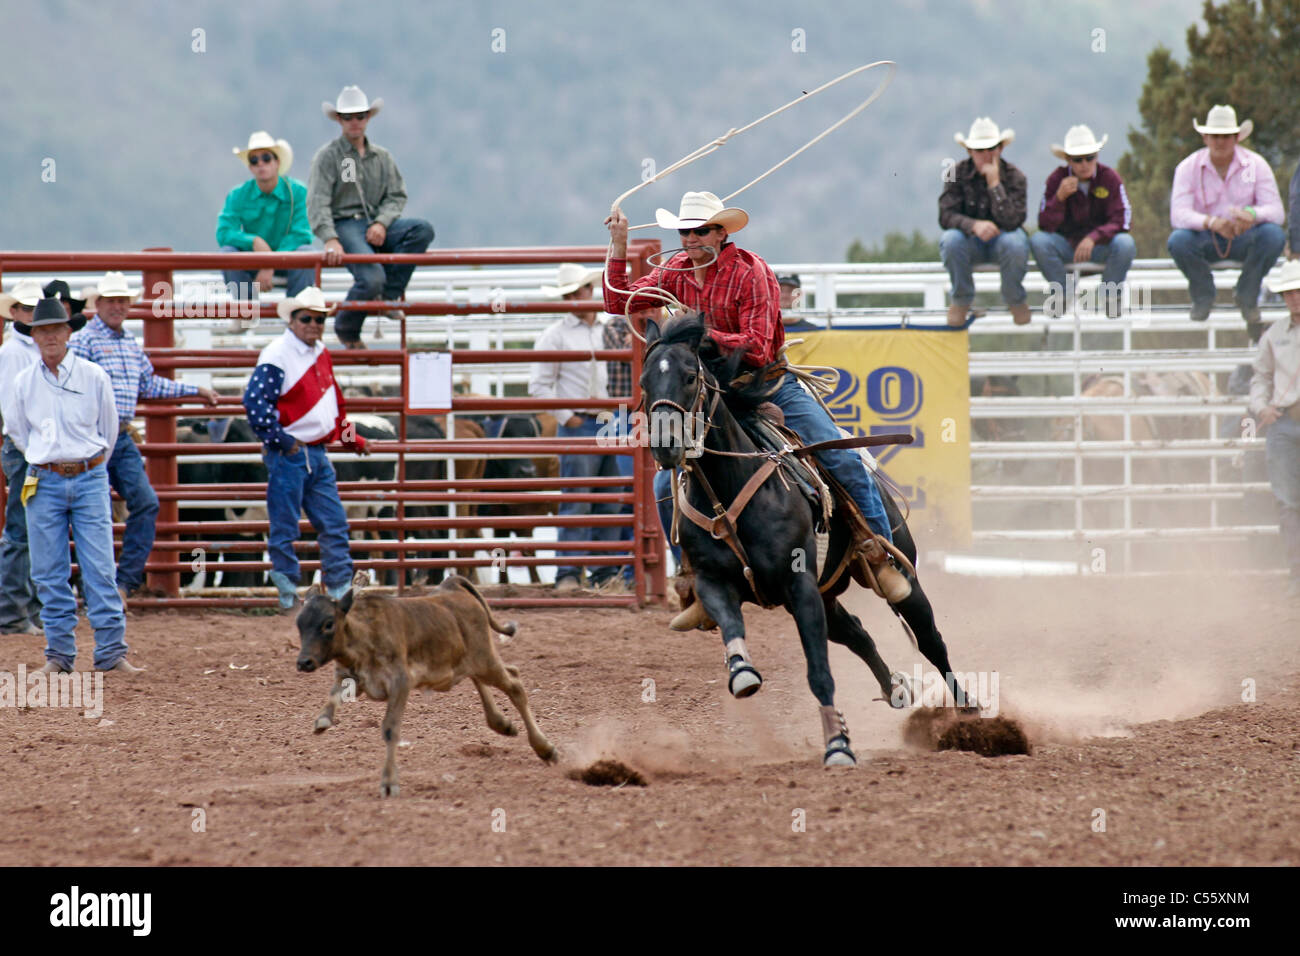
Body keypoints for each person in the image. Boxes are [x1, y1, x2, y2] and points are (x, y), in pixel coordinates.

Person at [604, 190, 911, 630]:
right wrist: (617, 248)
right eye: (684, 231)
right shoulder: (675, 271)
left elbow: (759, 344)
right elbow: (620, 302)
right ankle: (694, 580)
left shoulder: (753, 272)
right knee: (663, 484)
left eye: (700, 231)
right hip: (713, 395)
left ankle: (878, 553)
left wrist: (703, 335)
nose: (690, 239)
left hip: (769, 384)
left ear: (720, 233)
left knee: (840, 454)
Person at [8, 297, 141, 674]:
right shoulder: (25, 382)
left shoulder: (92, 376)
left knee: (98, 566)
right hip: (56, 474)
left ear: (68, 332)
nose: (49, 336)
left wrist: (77, 461)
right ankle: (64, 654)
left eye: (55, 329)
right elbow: (19, 430)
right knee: (50, 570)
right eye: (42, 330)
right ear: (33, 336)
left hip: (80, 474)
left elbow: (108, 429)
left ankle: (102, 652)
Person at [70, 272, 220, 599]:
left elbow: (150, 385)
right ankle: (103, 584)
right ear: (99, 304)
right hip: (90, 435)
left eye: (122, 301)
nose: (117, 307)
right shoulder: (84, 340)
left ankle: (120, 583)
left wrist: (194, 390)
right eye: (111, 301)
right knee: (94, 510)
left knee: (144, 504)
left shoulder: (128, 344)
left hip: (119, 435)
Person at [242, 287, 370, 610]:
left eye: (319, 319)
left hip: (308, 451)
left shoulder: (316, 352)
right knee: (294, 525)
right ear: (293, 319)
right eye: (307, 318)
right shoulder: (278, 354)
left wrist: (351, 438)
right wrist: (284, 442)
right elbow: (254, 404)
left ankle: (330, 592)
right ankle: (294, 594)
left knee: (331, 523)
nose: (313, 324)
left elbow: (336, 405)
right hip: (294, 451)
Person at [308, 86, 434, 348]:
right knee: (371, 277)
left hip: (375, 222)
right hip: (345, 223)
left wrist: (381, 222)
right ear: (340, 120)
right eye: (348, 117)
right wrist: (330, 238)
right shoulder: (329, 157)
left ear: (367, 118)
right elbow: (318, 201)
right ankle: (347, 325)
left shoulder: (382, 157)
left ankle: (387, 297)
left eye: (360, 116)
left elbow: (397, 195)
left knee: (421, 230)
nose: (355, 122)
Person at [529, 264, 624, 592]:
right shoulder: (556, 335)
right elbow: (539, 386)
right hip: (583, 422)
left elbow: (540, 386)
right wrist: (568, 417)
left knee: (610, 499)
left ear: (589, 290)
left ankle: (601, 572)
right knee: (578, 499)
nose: (575, 298)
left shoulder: (609, 328)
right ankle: (570, 572)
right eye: (569, 294)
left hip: (607, 421)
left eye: (578, 291)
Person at [1167, 105, 1286, 324]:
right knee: (1178, 241)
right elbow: (1178, 214)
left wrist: (1251, 214)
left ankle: (1247, 293)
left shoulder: (1256, 165)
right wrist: (1211, 222)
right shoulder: (1187, 168)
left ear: (1236, 138)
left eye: (1225, 136)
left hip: (1244, 236)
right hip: (1206, 237)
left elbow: (1276, 211)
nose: (1220, 142)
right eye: (1215, 136)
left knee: (1273, 235)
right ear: (1205, 138)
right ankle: (1203, 294)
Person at [1030, 125, 1136, 319]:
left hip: (1100, 247)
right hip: (1067, 247)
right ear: (1068, 160)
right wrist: (1059, 199)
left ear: (1097, 156)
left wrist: (1094, 238)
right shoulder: (1056, 180)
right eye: (1078, 159)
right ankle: (1063, 292)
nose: (1084, 164)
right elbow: (1044, 224)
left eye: (1090, 157)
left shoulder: (1110, 178)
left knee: (1125, 244)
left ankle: (1110, 297)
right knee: (1038, 241)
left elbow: (1123, 220)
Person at [939, 118, 1030, 326]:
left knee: (1016, 243)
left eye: (992, 148)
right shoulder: (956, 173)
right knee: (951, 240)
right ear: (970, 151)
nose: (987, 155)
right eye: (980, 150)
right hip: (969, 242)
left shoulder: (1015, 176)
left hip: (1004, 242)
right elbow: (945, 215)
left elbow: (1014, 220)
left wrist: (995, 185)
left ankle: (1014, 297)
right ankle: (961, 299)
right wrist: (974, 226)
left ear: (1000, 149)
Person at [1248, 260, 1300, 602]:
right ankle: (1297, 573)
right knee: (1288, 502)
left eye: (1297, 291)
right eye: (1289, 293)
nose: (1294, 298)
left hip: (1285, 425)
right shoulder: (1275, 336)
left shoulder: (1277, 335)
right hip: (1284, 422)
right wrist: (1260, 406)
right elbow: (1260, 377)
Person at [217, 131, 316, 300]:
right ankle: (244, 309)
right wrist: (253, 241)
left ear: (277, 162)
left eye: (266, 158)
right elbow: (224, 232)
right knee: (227, 253)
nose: (261, 164)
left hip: (287, 259)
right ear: (250, 167)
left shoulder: (298, 192)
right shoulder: (238, 194)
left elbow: (302, 234)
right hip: (253, 262)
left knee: (306, 254)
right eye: (254, 160)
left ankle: (298, 315)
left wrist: (270, 261)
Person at [0, 279, 46, 635]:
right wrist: (29, 448)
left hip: (32, 448)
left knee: (29, 528)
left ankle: (22, 610)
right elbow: (11, 410)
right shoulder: (14, 352)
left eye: (34, 309)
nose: (30, 315)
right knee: (21, 528)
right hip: (25, 448)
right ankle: (14, 613)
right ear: (14, 312)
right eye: (26, 308)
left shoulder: (23, 350)